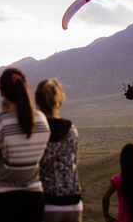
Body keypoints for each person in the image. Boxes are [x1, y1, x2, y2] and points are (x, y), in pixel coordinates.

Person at [0, 67, 50, 222]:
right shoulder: (41, 120)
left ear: (1, 92)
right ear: (25, 86)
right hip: (35, 198)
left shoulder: (2, 122)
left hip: (5, 200)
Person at [35, 78, 83, 222]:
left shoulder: (35, 130)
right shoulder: (71, 129)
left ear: (37, 101)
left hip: (48, 202)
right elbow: (74, 162)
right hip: (73, 201)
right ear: (59, 100)